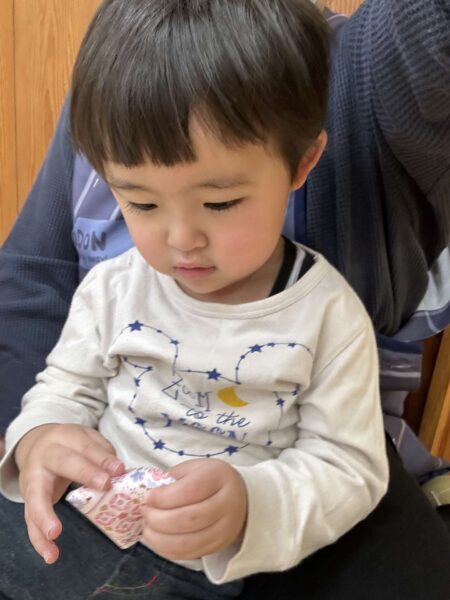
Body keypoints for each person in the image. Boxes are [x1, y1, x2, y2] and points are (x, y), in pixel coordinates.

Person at [0, 0, 449, 599]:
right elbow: (64, 385)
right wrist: (40, 434)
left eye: (220, 203)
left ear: (302, 163)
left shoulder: (327, 316)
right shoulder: (112, 286)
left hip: (243, 553)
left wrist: (251, 506)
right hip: (96, 525)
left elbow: (347, 466)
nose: (181, 239)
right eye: (140, 202)